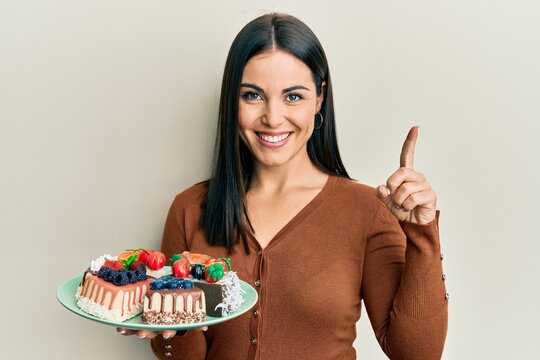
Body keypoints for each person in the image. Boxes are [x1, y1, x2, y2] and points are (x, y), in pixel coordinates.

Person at [118, 12, 448, 359]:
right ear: (232, 100)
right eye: (252, 96)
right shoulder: (189, 209)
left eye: (293, 96)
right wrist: (170, 330)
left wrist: (422, 233)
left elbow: (417, 354)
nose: (273, 117)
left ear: (319, 99)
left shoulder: (367, 211)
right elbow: (183, 356)